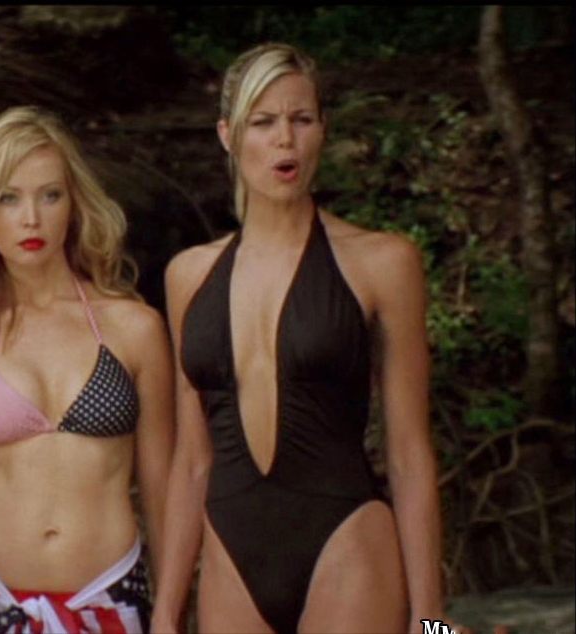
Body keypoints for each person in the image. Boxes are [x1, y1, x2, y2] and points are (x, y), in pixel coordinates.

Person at [151, 43, 445, 633]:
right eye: (263, 122)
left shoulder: (383, 262)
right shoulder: (188, 276)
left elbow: (409, 454)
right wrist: (164, 616)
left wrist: (431, 621)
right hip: (231, 558)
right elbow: (192, 462)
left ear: (322, 130)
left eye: (301, 119)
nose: (285, 139)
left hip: (347, 544)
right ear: (228, 135)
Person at [0, 106, 174, 633]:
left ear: (75, 204)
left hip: (110, 596)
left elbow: (163, 491)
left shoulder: (135, 329)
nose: (31, 219)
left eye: (50, 195)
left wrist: (171, 612)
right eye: (9, 198)